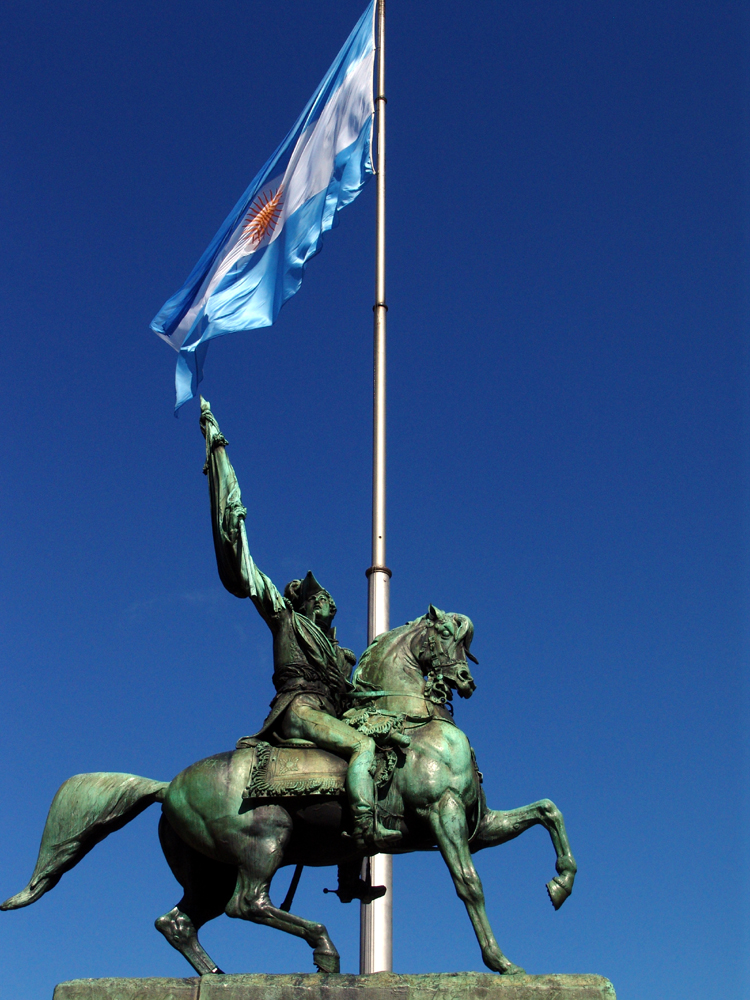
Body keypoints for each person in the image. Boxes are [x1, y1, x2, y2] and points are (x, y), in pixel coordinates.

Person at [199, 397, 400, 851]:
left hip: (328, 713)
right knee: (362, 751)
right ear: (307, 603)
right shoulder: (286, 618)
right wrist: (219, 459)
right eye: (321, 596)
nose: (330, 600)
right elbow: (245, 568)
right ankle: (367, 834)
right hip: (299, 711)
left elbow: (356, 697)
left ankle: (351, 867)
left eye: (329, 596)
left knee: (381, 754)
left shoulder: (341, 654)